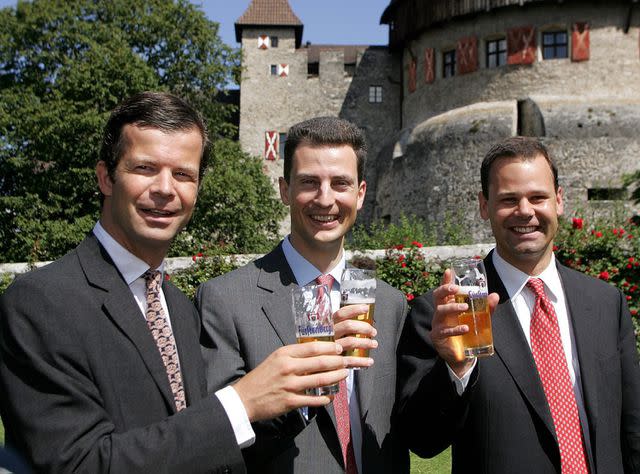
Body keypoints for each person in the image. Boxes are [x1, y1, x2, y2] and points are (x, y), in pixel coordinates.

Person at [0, 93, 355, 474]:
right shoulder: (41, 302)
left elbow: (197, 443)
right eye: (145, 168)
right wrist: (241, 402)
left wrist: (301, 389)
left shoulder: (179, 307)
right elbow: (80, 464)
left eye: (183, 174)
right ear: (106, 177)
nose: (166, 188)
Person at [397, 136, 640, 473]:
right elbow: (423, 440)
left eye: (537, 197)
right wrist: (455, 369)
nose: (525, 211)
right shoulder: (449, 312)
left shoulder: (604, 302)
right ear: (484, 206)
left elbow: (632, 428)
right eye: (508, 199)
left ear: (559, 201)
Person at [197, 116, 410, 473]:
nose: (325, 199)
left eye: (340, 183)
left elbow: (410, 425)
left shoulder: (389, 303)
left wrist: (454, 366)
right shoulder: (225, 301)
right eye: (309, 182)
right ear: (285, 190)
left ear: (359, 194)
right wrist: (309, 389)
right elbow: (219, 443)